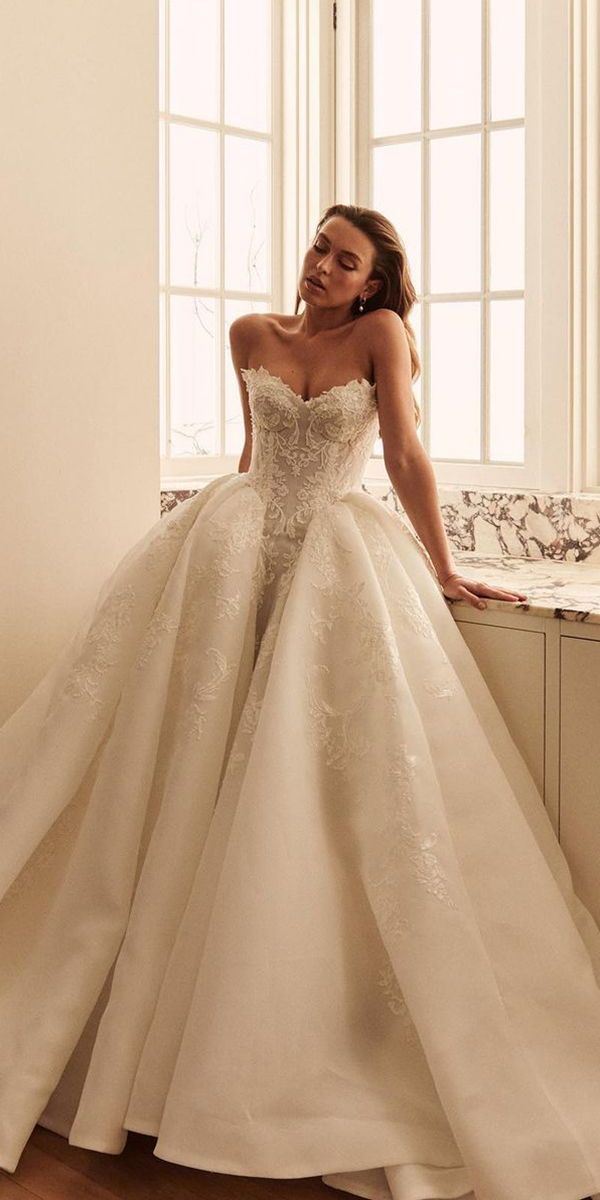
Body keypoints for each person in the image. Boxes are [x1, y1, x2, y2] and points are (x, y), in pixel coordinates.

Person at [0, 203, 599, 1200]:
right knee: (182, 755)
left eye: (345, 258)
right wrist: (204, 555)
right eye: (320, 247)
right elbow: (249, 459)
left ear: (374, 282)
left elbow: (403, 454)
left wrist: (446, 570)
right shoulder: (251, 335)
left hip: (339, 554)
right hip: (230, 551)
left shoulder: (382, 336)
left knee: (319, 776)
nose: (321, 265)